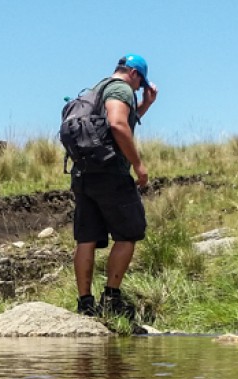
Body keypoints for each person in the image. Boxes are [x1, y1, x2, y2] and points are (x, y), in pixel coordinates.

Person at [72, 54, 158, 316]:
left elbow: (112, 124)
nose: (138, 89)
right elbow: (118, 124)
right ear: (133, 73)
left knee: (86, 238)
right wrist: (138, 165)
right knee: (129, 233)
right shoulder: (121, 88)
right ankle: (111, 300)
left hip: (84, 173)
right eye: (140, 84)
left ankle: (85, 304)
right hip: (111, 173)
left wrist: (145, 105)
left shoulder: (95, 89)